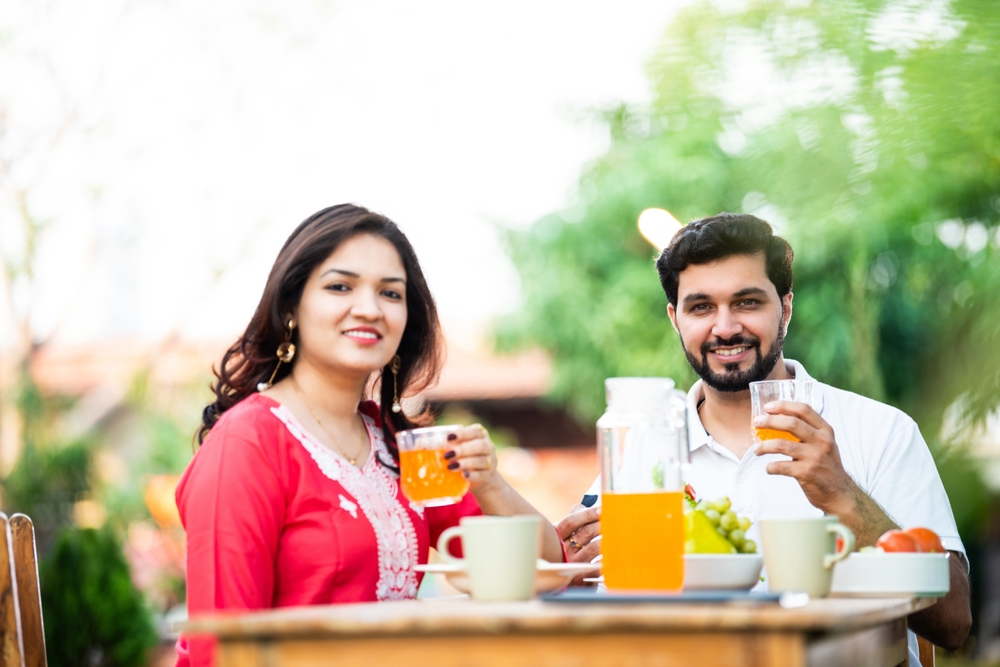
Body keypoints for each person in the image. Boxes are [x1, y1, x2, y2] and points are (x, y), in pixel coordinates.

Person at [557, 213, 971, 655]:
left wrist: (844, 497)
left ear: (786, 308)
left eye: (747, 302)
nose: (725, 327)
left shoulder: (879, 430)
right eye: (701, 307)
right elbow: (579, 563)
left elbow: (954, 623)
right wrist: (578, 561)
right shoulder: (645, 437)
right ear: (675, 319)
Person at [176, 204, 564, 667]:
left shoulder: (402, 451)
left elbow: (549, 568)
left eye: (390, 293)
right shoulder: (248, 445)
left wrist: (489, 482)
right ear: (291, 307)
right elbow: (220, 647)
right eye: (340, 286)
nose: (369, 309)